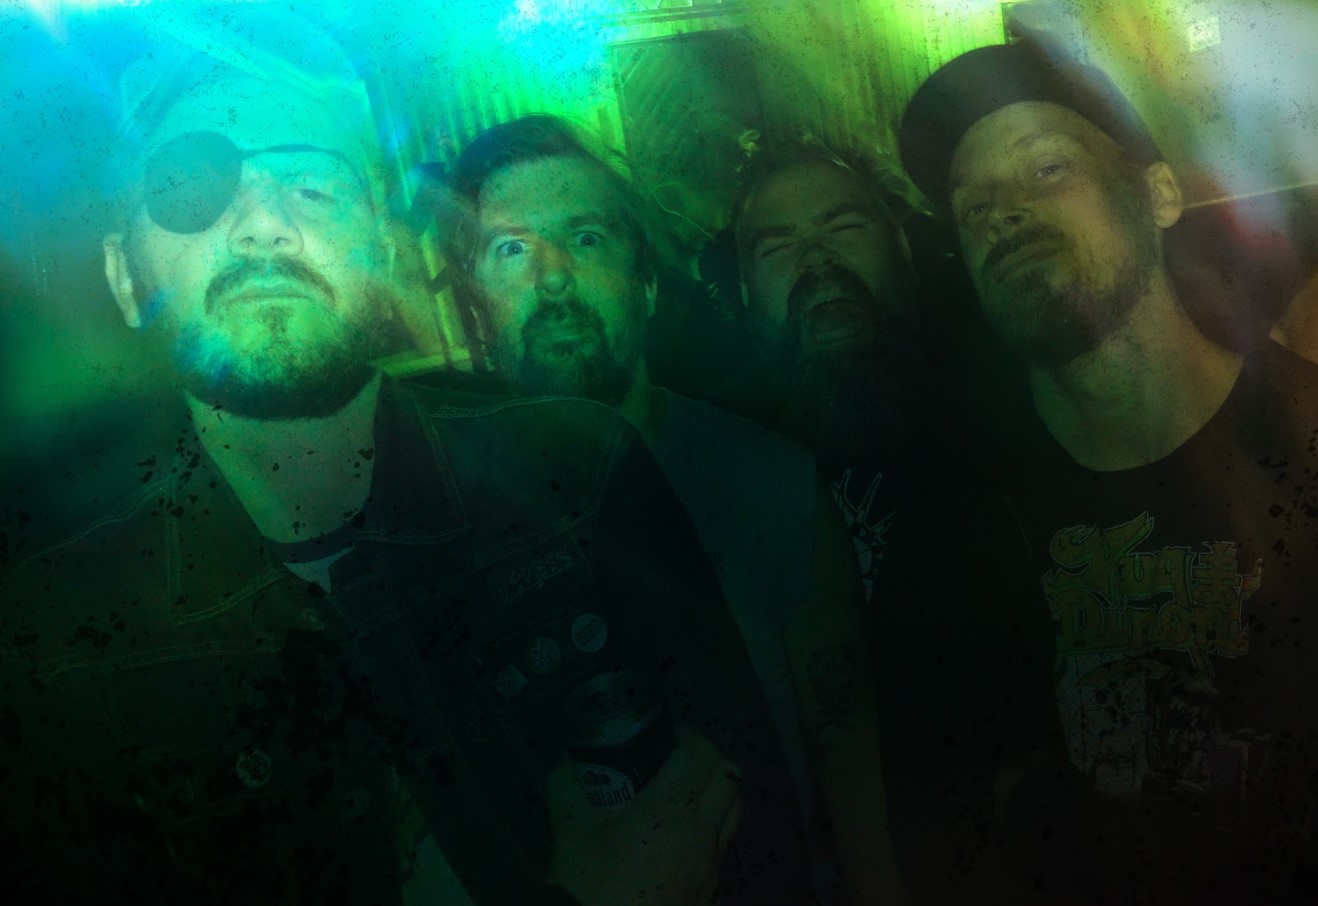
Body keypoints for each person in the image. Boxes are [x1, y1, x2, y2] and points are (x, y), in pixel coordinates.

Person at [0, 16, 784, 906]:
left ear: (379, 246)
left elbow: (756, 824)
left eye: (312, 187)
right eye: (192, 189)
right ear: (125, 275)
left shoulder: (577, 471)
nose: (264, 225)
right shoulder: (53, 646)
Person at [434, 114, 907, 906]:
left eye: (586, 238)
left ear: (647, 285)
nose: (553, 279)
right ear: (475, 303)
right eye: (511, 249)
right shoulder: (429, 517)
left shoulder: (770, 479)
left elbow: (851, 763)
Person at [898, 41, 1318, 903]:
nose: (1002, 214)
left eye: (1046, 168)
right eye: (971, 206)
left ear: (1159, 195)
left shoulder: (1307, 441)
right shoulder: (953, 523)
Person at [725, 140, 933, 605]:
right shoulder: (715, 465)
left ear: (901, 246)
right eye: (777, 247)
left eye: (844, 227)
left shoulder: (1008, 412)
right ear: (745, 292)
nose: (816, 257)